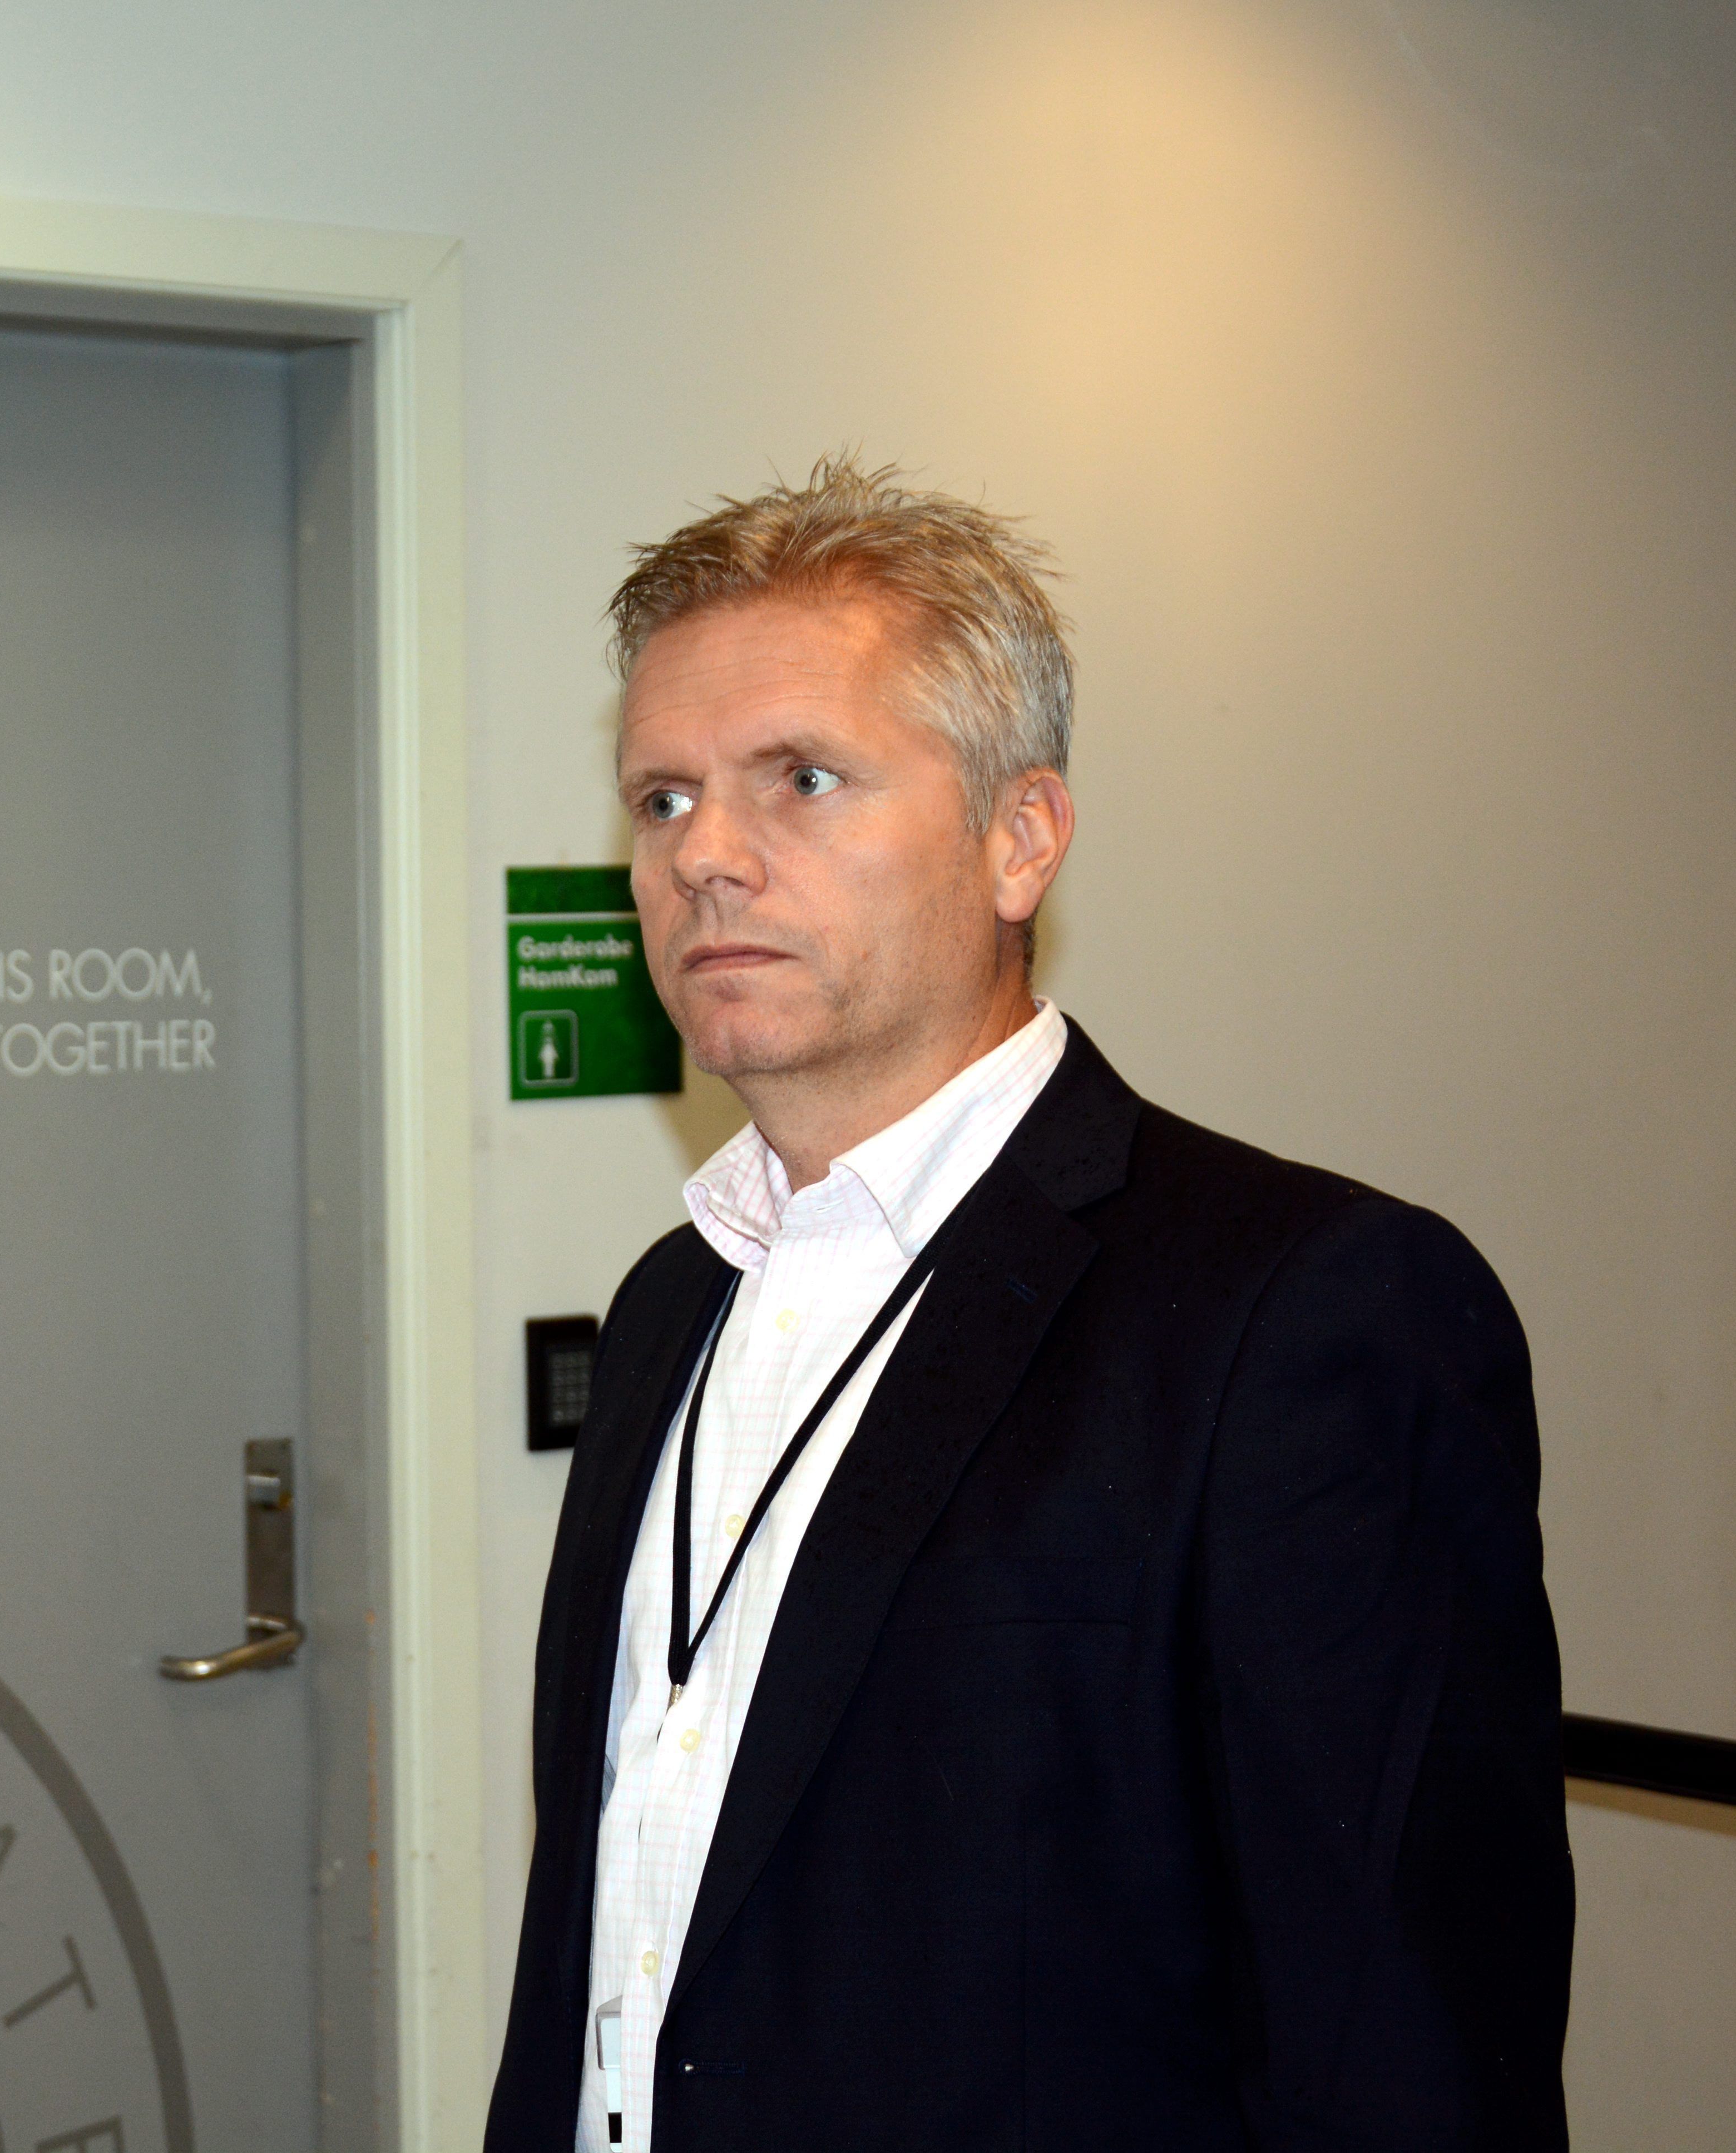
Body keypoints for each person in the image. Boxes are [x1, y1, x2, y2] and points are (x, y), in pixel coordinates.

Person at [486, 459, 1569, 2153]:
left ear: (1020, 840)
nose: (708, 858)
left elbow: (1399, 2042)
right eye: (664, 798)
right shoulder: (671, 1303)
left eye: (803, 780)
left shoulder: (1301, 1315)